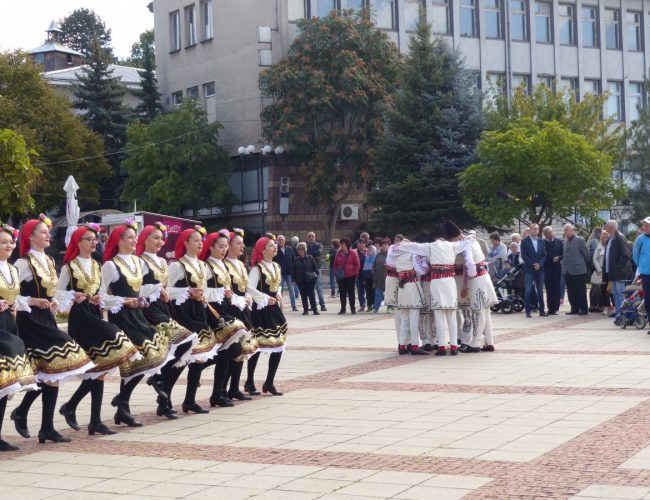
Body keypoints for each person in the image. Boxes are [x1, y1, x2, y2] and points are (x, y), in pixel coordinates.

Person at [11, 214, 94, 443]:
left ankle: (42, 424)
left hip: (46, 318)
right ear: (31, 236)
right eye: (43, 232)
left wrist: (61, 299)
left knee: (50, 373)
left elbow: (53, 291)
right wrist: (33, 301)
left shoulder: (47, 261)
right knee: (61, 359)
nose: (49, 235)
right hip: (30, 321)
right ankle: (29, 416)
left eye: (47, 232)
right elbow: (12, 294)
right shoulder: (22, 263)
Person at [58, 224, 139, 435]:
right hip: (80, 318)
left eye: (95, 239)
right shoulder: (69, 267)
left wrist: (98, 298)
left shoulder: (96, 264)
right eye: (88, 239)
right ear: (78, 242)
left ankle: (90, 418)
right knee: (118, 343)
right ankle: (77, 410)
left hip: (94, 313)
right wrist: (72, 296)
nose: (94, 242)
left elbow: (102, 292)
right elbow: (57, 294)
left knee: (100, 371)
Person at [101, 221, 173, 427]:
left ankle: (123, 402)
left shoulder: (137, 262)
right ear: (119, 240)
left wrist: (143, 298)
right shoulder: (110, 265)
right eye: (130, 237)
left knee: (153, 350)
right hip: (121, 316)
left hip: (138, 314)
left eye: (135, 237)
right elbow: (101, 296)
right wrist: (124, 301)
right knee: (140, 355)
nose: (134, 241)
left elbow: (139, 290)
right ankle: (146, 390)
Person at [136, 223, 199, 419]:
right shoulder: (139, 262)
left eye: (161, 238)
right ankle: (160, 387)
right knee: (185, 340)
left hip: (164, 308)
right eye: (155, 237)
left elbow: (168, 289)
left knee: (177, 353)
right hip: (148, 311)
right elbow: (134, 289)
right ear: (144, 239)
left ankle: (164, 396)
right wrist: (156, 289)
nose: (160, 241)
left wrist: (165, 291)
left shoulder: (163, 262)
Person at [395, 220, 476, 356]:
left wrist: (401, 244)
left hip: (437, 281)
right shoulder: (453, 246)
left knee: (439, 314)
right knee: (451, 314)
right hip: (450, 281)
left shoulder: (429, 246)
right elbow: (471, 239)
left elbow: (411, 247)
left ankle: (442, 347)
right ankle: (454, 347)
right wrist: (465, 235)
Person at [167, 226, 221, 414]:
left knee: (199, 358)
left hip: (199, 310)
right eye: (196, 240)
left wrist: (202, 297)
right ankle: (164, 397)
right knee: (183, 356)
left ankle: (189, 400)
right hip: (184, 312)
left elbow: (204, 288)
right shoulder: (177, 265)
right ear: (186, 243)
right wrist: (188, 291)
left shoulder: (202, 266)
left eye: (201, 240)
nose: (200, 244)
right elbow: (167, 290)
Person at [199, 230, 250, 407]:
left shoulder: (222, 265)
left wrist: (241, 299)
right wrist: (222, 292)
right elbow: (202, 291)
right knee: (233, 350)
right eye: (220, 246)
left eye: (225, 246)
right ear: (211, 247)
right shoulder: (206, 266)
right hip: (214, 311)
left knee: (232, 351)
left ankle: (219, 392)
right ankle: (202, 370)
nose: (224, 250)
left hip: (229, 307)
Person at [0, 222, 36, 451]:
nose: (9, 245)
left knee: (5, 384)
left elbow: (18, 298)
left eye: (11, 242)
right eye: (3, 242)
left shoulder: (12, 269)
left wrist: (16, 307)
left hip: (8, 324)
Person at [246, 235, 288, 395]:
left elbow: (276, 285)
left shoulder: (277, 266)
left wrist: (278, 294)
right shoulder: (257, 268)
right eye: (271, 245)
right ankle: (249, 382)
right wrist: (264, 298)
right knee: (257, 346)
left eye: (275, 245)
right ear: (262, 250)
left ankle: (269, 382)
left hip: (274, 308)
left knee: (279, 345)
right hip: (261, 309)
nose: (275, 247)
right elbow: (249, 288)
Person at [224, 229, 259, 398]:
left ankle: (234, 388)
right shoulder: (224, 265)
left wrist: (247, 296)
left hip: (243, 309)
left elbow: (245, 287)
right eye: (238, 243)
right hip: (231, 309)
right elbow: (227, 289)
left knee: (243, 350)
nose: (242, 247)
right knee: (233, 350)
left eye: (242, 244)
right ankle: (223, 388)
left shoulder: (241, 264)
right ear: (228, 245)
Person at [391, 237, 428, 355]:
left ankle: (402, 345)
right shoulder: (412, 254)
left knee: (404, 318)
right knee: (414, 317)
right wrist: (426, 265)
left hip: (402, 287)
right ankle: (415, 346)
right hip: (412, 285)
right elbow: (421, 270)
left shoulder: (396, 256)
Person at [604, 220, 634, 318]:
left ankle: (622, 312)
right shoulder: (610, 239)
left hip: (619, 272)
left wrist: (617, 266)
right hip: (611, 271)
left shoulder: (620, 238)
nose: (605, 228)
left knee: (620, 292)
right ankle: (618, 310)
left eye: (606, 227)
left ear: (611, 228)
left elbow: (626, 254)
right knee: (614, 292)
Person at [562, 223, 590, 316]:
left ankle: (584, 309)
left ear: (572, 230)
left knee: (580, 291)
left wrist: (582, 265)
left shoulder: (580, 240)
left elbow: (586, 254)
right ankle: (574, 309)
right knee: (571, 291)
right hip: (568, 271)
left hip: (578, 270)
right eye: (565, 230)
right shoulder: (565, 241)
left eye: (567, 229)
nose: (565, 231)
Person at [520, 223, 547, 318]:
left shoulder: (541, 241)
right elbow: (524, 255)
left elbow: (545, 255)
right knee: (528, 290)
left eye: (537, 229)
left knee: (540, 290)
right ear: (530, 230)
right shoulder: (524, 241)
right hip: (529, 269)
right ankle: (528, 311)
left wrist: (540, 264)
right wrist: (533, 264)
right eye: (533, 229)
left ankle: (542, 311)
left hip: (540, 269)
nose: (535, 230)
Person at [333, 238, 360, 315]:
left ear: (347, 245)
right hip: (341, 277)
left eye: (343, 244)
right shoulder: (338, 253)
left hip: (351, 276)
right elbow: (335, 264)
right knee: (342, 293)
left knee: (351, 293)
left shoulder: (353, 253)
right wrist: (336, 273)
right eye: (340, 244)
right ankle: (343, 309)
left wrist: (355, 274)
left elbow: (357, 264)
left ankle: (352, 308)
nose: (341, 246)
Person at [292, 242, 320, 315]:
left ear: (304, 249)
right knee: (303, 295)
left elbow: (316, 269)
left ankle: (315, 310)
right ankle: (305, 310)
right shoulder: (296, 260)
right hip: (300, 280)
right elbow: (293, 271)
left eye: (300, 249)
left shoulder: (310, 258)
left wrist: (315, 276)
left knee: (311, 295)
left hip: (310, 280)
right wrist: (293, 280)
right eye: (298, 249)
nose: (299, 250)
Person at [633, 217, 650, 332]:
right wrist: (642, 266)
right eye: (644, 225)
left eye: (647, 225)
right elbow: (635, 255)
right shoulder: (640, 239)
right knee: (648, 299)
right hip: (646, 274)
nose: (645, 227)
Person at [543, 226, 563, 315]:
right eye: (547, 233)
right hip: (546, 268)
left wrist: (559, 257)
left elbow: (563, 254)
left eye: (550, 232)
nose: (549, 234)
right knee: (549, 289)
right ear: (544, 234)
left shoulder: (559, 242)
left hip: (556, 268)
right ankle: (550, 308)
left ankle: (556, 308)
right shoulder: (542, 243)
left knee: (556, 288)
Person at [273, 235, 297, 312]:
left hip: (289, 273)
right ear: (277, 241)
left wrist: (294, 271)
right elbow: (273, 261)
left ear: (284, 240)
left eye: (282, 240)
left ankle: (294, 306)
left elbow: (294, 260)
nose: (280, 241)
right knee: (280, 291)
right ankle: (280, 306)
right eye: (279, 240)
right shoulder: (275, 250)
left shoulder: (289, 249)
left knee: (291, 290)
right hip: (280, 274)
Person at [591, 231, 611, 314]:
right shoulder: (598, 247)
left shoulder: (611, 246)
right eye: (603, 237)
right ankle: (607, 306)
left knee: (611, 291)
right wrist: (599, 269)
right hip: (602, 272)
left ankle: (613, 307)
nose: (604, 239)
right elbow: (594, 259)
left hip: (610, 271)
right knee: (603, 290)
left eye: (606, 237)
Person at [306, 232, 327, 311]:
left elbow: (319, 252)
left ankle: (322, 305)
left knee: (319, 287)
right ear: (308, 238)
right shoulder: (306, 246)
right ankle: (313, 305)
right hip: (309, 269)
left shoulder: (319, 245)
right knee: (311, 289)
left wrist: (310, 255)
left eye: (312, 236)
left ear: (315, 237)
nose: (311, 238)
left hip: (317, 268)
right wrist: (314, 255)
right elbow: (306, 254)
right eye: (309, 237)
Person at [371, 238, 389, 314]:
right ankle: (375, 308)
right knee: (378, 294)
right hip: (379, 278)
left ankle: (390, 307)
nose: (384, 246)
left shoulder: (391, 255)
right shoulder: (378, 255)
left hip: (388, 278)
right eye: (382, 245)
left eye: (386, 244)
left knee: (389, 294)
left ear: (389, 246)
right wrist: (374, 275)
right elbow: (373, 266)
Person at [362, 243, 376, 312]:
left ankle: (374, 305)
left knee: (373, 292)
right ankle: (369, 305)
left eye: (370, 250)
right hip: (367, 278)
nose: (368, 251)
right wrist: (364, 278)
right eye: (368, 250)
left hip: (373, 278)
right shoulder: (366, 258)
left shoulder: (375, 258)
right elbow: (364, 268)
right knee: (368, 292)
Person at [355, 240, 368, 311]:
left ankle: (370, 305)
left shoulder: (368, 251)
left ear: (365, 244)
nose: (360, 245)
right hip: (358, 275)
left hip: (367, 274)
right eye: (359, 243)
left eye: (362, 243)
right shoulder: (355, 252)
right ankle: (362, 305)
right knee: (360, 291)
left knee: (368, 290)